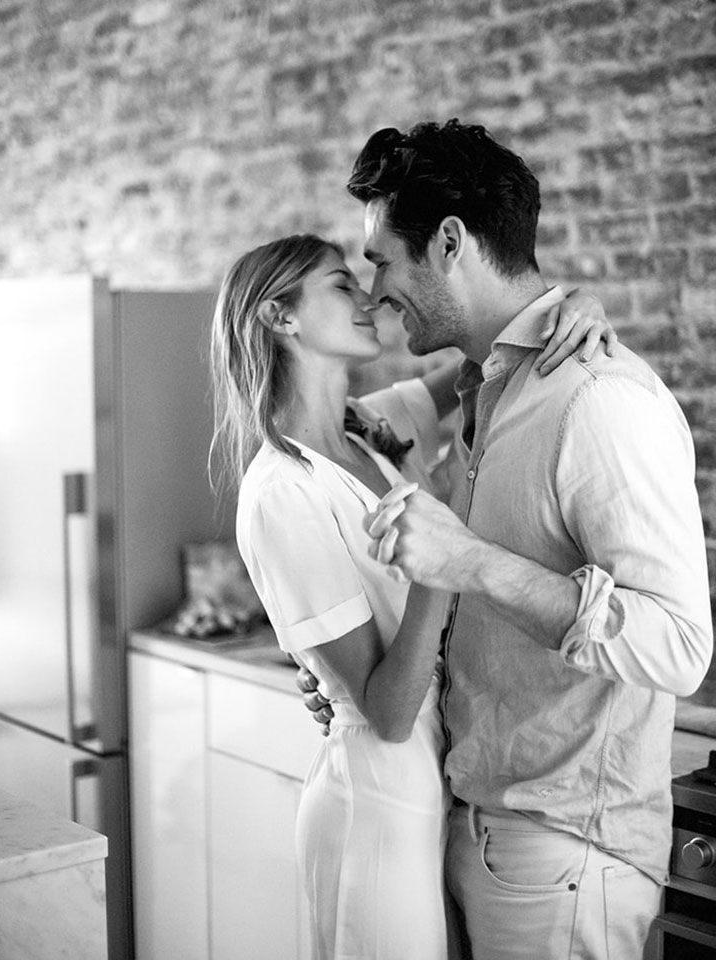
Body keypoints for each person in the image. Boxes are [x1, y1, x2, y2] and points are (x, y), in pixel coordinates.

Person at [348, 119, 714, 959]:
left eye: (381, 262)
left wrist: (471, 563)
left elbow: (681, 645)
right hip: (484, 830)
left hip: (564, 859)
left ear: (448, 243)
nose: (374, 293)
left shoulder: (598, 401)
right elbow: (327, 421)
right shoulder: (488, 388)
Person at [209, 230, 616, 959]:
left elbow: (494, 358)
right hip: (376, 807)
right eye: (341, 284)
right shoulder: (279, 492)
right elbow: (389, 709)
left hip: (443, 790)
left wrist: (570, 305)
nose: (368, 297)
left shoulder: (365, 434)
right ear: (279, 317)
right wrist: (448, 548)